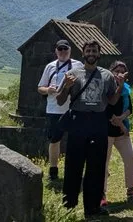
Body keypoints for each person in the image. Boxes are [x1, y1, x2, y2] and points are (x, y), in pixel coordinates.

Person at [56, 39, 122, 218]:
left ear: (99, 54)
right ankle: (68, 205)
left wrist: (120, 86)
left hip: (98, 121)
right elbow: (60, 101)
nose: (91, 54)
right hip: (78, 121)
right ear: (83, 53)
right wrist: (66, 87)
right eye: (88, 51)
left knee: (96, 165)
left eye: (94, 51)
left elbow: (112, 101)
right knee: (73, 164)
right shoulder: (72, 74)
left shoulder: (107, 75)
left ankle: (92, 208)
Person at [36, 39, 82, 181]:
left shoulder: (78, 65)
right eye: (60, 49)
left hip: (73, 108)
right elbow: (40, 88)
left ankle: (74, 169)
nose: (63, 52)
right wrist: (48, 90)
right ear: (56, 51)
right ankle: (53, 170)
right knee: (54, 140)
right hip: (54, 109)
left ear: (70, 50)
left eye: (65, 49)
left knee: (75, 140)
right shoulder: (50, 67)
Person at [102, 61, 133, 208]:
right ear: (111, 72)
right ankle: (101, 194)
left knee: (130, 156)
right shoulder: (106, 87)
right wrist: (121, 125)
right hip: (107, 130)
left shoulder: (126, 88)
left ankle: (132, 188)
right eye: (117, 71)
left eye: (122, 71)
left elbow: (130, 109)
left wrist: (122, 119)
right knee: (103, 162)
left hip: (122, 131)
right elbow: (108, 109)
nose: (119, 74)